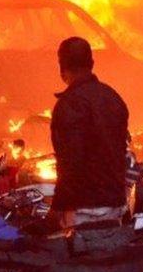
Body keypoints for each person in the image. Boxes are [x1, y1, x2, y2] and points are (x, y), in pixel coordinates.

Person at [50, 36, 130, 252]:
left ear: (62, 67)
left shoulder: (69, 105)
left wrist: (58, 207)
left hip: (84, 209)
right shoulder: (113, 98)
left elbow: (71, 164)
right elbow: (121, 152)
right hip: (115, 204)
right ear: (92, 64)